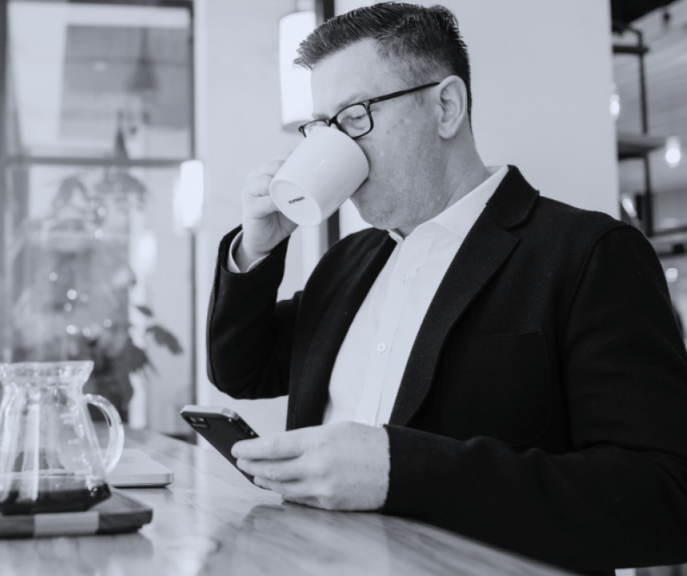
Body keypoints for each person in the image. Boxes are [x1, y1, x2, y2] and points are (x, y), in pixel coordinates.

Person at [205, 4, 687, 575]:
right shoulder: (347, 264)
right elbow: (241, 369)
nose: (339, 147)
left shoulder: (586, 253)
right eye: (323, 127)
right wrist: (257, 248)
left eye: (355, 116)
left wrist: (399, 469)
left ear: (446, 106)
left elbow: (663, 499)